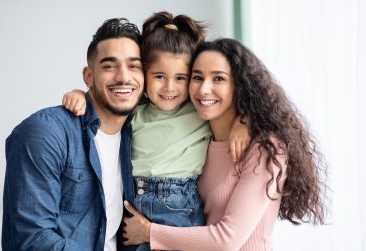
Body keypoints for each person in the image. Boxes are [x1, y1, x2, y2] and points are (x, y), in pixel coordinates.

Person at [62, 12, 249, 251]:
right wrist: (80, 95)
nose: (169, 88)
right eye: (159, 76)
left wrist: (243, 123)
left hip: (180, 207)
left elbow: (237, 106)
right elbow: (104, 99)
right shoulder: (134, 110)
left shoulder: (197, 111)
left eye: (180, 78)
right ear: (144, 75)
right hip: (132, 205)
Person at [121, 38, 328, 251]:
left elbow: (226, 240)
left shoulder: (264, 149)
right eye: (197, 77)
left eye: (218, 78)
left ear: (240, 85)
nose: (204, 89)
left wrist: (148, 231)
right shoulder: (199, 137)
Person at [2, 18, 144, 251]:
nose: (123, 77)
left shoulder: (139, 134)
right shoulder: (45, 133)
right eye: (109, 66)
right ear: (88, 77)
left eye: (134, 66)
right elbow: (34, 241)